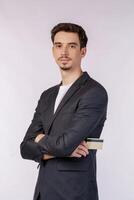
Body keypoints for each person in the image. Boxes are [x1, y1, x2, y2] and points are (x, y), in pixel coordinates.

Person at [20, 23, 108, 200]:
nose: (64, 52)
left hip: (74, 193)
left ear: (83, 52)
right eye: (59, 45)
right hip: (43, 193)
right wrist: (53, 150)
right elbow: (25, 148)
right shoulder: (47, 96)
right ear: (53, 50)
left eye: (72, 46)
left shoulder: (94, 92)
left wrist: (40, 139)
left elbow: (65, 145)